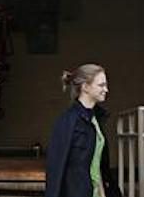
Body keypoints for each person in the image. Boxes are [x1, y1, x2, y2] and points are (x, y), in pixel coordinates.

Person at [46, 64, 122, 197]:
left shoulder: (96, 119)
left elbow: (99, 165)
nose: (106, 89)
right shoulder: (68, 121)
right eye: (101, 85)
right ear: (85, 87)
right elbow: (55, 168)